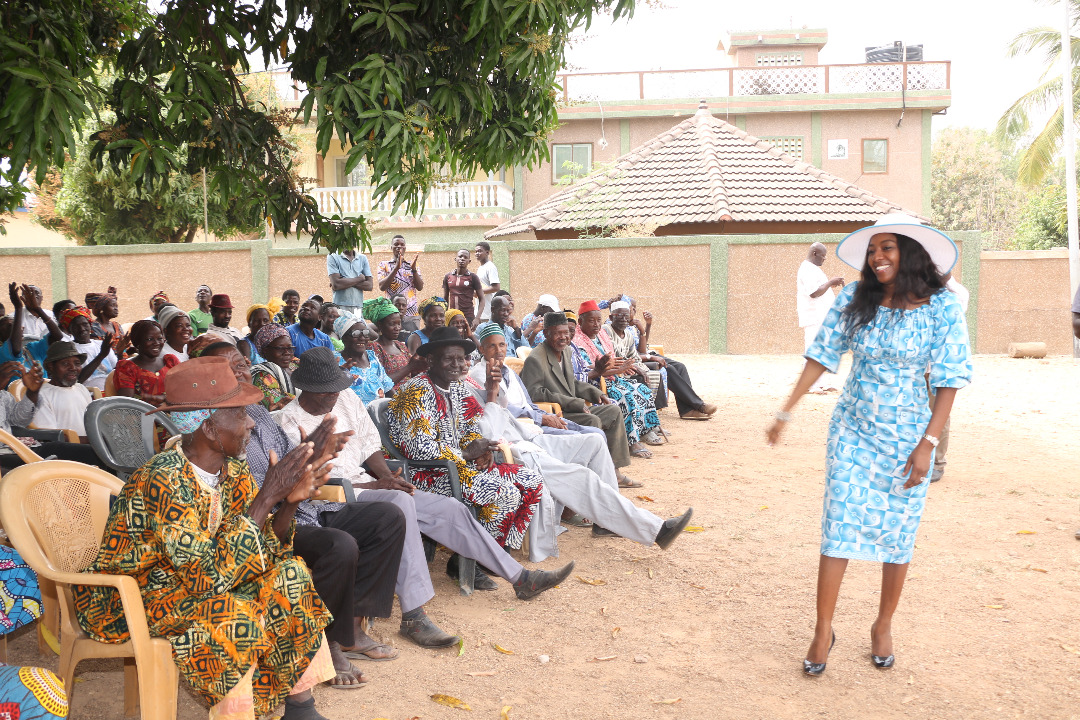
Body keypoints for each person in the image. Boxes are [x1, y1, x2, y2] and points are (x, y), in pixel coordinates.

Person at [73, 356, 338, 719]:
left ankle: (300, 704)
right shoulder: (163, 479)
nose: (250, 423)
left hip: (199, 581)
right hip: (133, 595)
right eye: (241, 414)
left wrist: (290, 500)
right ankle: (238, 714)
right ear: (210, 429)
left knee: (290, 574)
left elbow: (265, 548)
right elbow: (206, 579)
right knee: (230, 614)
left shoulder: (233, 469)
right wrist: (266, 497)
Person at [766, 213, 973, 676]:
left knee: (897, 531)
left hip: (908, 435)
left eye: (887, 248)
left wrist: (929, 443)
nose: (877, 257)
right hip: (853, 430)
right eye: (872, 250)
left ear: (909, 253)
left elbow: (950, 379)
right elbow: (822, 354)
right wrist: (786, 410)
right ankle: (823, 630)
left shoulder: (941, 307)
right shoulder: (857, 300)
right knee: (838, 521)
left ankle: (883, 624)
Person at [280, 347, 574, 635]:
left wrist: (386, 476)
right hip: (331, 499)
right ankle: (413, 614)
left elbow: (370, 444)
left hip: (368, 486)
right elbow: (311, 483)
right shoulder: (288, 421)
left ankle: (520, 578)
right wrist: (375, 484)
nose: (334, 394)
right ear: (306, 388)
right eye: (327, 390)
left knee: (451, 509)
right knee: (399, 501)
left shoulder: (345, 398)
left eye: (337, 387)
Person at [200, 342, 403, 681]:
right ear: (207, 376)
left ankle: (352, 627)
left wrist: (318, 455)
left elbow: (290, 469)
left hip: (297, 511)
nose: (240, 370)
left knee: (388, 518)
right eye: (228, 365)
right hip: (258, 524)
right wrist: (291, 483)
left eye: (242, 362)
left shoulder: (260, 414)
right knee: (340, 546)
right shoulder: (209, 426)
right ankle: (327, 642)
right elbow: (248, 496)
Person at [470, 322, 693, 551]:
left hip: (529, 434)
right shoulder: (477, 378)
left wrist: (544, 418)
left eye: (502, 344)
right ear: (481, 349)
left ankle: (607, 523)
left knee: (594, 440)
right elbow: (490, 429)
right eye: (491, 346)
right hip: (514, 448)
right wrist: (492, 393)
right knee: (583, 476)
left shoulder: (505, 372)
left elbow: (527, 404)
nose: (498, 351)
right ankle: (655, 530)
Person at [387, 327, 545, 551]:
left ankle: (496, 550)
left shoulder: (458, 388)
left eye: (461, 359)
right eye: (449, 359)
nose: (457, 365)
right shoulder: (416, 392)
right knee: (504, 492)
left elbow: (473, 427)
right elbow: (418, 448)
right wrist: (465, 453)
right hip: (426, 473)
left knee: (532, 481)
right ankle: (476, 561)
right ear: (431, 360)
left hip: (461, 467)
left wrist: (482, 450)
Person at [521, 312, 636, 482]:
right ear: (546, 334)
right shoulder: (536, 358)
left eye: (566, 332)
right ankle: (592, 477)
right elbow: (535, 393)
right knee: (593, 422)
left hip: (572, 407)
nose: (564, 337)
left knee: (613, 411)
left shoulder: (566, 351)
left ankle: (614, 470)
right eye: (558, 333)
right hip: (558, 413)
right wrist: (574, 402)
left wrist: (596, 393)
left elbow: (571, 382)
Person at [575, 301, 663, 456]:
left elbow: (614, 359)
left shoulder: (600, 334)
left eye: (598, 320)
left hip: (612, 378)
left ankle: (645, 430)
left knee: (641, 388)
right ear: (580, 322)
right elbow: (588, 369)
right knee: (625, 396)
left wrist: (622, 368)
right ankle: (631, 442)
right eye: (591, 321)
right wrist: (617, 369)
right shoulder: (577, 341)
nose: (596, 324)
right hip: (595, 384)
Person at [607, 301, 715, 421]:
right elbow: (633, 354)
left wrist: (645, 327)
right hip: (634, 362)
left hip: (641, 358)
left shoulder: (629, 329)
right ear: (612, 316)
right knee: (668, 368)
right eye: (623, 314)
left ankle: (688, 409)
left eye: (630, 312)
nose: (626, 317)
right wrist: (650, 358)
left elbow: (641, 349)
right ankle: (698, 405)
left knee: (680, 367)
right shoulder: (609, 329)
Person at [928, 272, 970, 483]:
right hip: (918, 367)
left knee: (939, 415)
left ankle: (937, 463)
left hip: (939, 368)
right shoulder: (919, 291)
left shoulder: (957, 294)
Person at [798, 243, 847, 393]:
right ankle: (810, 385)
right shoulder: (806, 269)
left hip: (822, 317)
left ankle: (823, 383)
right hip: (813, 317)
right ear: (814, 253)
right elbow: (813, 292)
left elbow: (820, 290)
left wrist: (830, 285)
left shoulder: (813, 269)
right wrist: (831, 282)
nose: (825, 259)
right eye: (823, 255)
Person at [27, 341, 94, 438]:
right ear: (51, 366)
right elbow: (51, 437)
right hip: (66, 451)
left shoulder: (81, 388)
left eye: (77, 363)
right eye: (65, 364)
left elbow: (92, 423)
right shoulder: (41, 395)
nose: (73, 368)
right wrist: (95, 442)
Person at [114, 320, 180, 407]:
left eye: (160, 338)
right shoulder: (127, 368)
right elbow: (128, 404)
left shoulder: (170, 361)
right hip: (146, 417)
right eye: (150, 339)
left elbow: (186, 387)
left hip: (177, 413)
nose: (156, 343)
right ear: (137, 343)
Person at [365, 296, 425, 389]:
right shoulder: (374, 348)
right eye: (392, 324)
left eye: (399, 323)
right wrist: (409, 367)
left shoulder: (401, 346)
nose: (397, 328)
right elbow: (380, 383)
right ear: (380, 325)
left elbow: (413, 372)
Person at [336, 315, 394, 404]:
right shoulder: (336, 360)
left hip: (378, 414)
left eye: (366, 333)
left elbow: (388, 388)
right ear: (343, 337)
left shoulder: (372, 358)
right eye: (355, 333)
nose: (362, 338)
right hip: (351, 415)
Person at [60, 305, 119, 392]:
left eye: (85, 324)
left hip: (111, 391)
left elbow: (115, 368)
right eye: (76, 326)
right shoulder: (69, 349)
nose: (82, 329)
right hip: (89, 394)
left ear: (90, 325)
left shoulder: (101, 344)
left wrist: (120, 352)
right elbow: (77, 380)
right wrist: (101, 356)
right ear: (69, 330)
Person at [251, 323, 297, 411]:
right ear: (266, 350)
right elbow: (281, 405)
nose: (287, 352)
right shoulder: (262, 376)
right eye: (280, 348)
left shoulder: (294, 363)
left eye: (289, 347)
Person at [377, 235, 424, 320]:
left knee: (411, 334)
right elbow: (382, 286)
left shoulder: (413, 264)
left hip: (411, 313)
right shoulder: (384, 265)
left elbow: (420, 287)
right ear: (391, 247)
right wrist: (396, 268)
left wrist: (413, 269)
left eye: (402, 244)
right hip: (391, 312)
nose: (399, 246)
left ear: (405, 248)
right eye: (396, 244)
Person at [442, 249, 484, 327]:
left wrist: (477, 318)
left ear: (469, 261)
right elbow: (445, 298)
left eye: (465, 257)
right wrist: (444, 315)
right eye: (460, 256)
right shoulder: (448, 276)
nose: (462, 259)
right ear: (455, 259)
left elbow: (482, 299)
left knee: (467, 338)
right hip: (452, 316)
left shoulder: (473, 277)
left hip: (468, 316)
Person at [328, 248, 373, 314]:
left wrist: (344, 281)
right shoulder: (333, 256)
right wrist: (360, 279)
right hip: (340, 306)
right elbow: (337, 285)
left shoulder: (362, 258)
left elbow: (369, 285)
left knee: (358, 324)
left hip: (358, 307)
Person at [474, 241, 500, 322]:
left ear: (487, 252)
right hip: (481, 310)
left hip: (488, 311)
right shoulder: (481, 268)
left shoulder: (490, 267)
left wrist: (478, 292)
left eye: (480, 251)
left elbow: (496, 287)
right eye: (476, 251)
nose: (477, 253)